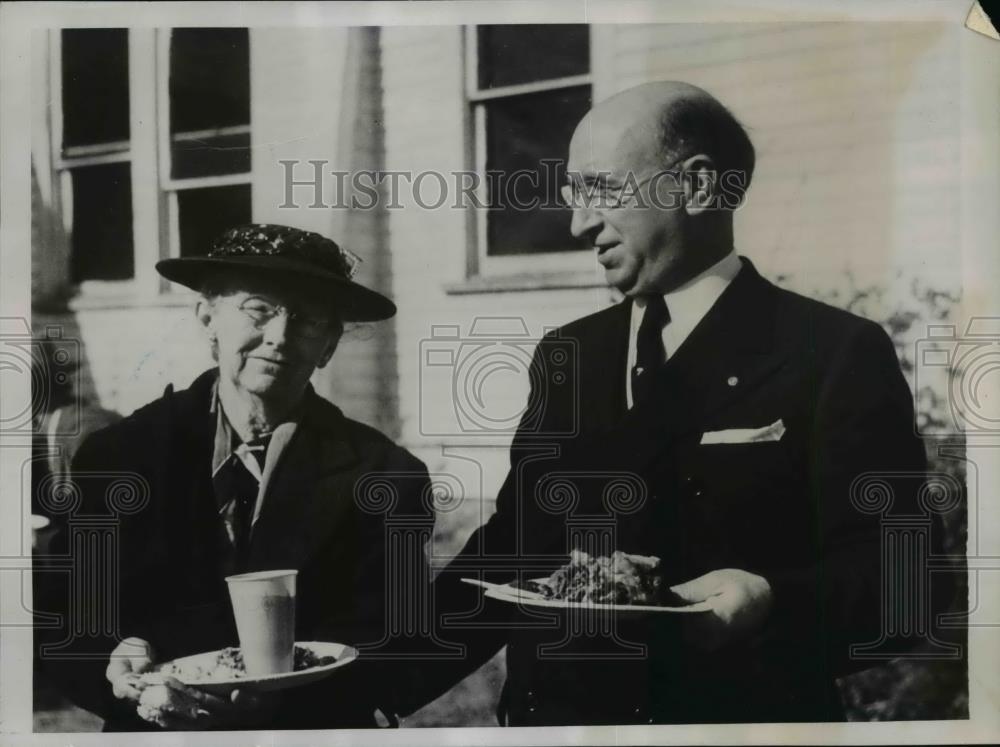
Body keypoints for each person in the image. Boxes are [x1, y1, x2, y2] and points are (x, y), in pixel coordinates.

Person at [418, 81, 946, 724]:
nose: (579, 224)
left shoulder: (832, 351)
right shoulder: (568, 354)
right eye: (576, 198)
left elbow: (906, 582)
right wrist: (359, 693)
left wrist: (770, 600)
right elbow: (514, 552)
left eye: (603, 191)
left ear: (697, 188)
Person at [34, 224, 433, 730]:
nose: (280, 337)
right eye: (259, 308)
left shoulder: (386, 476)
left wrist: (285, 694)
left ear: (329, 346)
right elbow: (63, 621)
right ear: (208, 317)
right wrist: (116, 668)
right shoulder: (120, 457)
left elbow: (395, 636)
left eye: (307, 320)